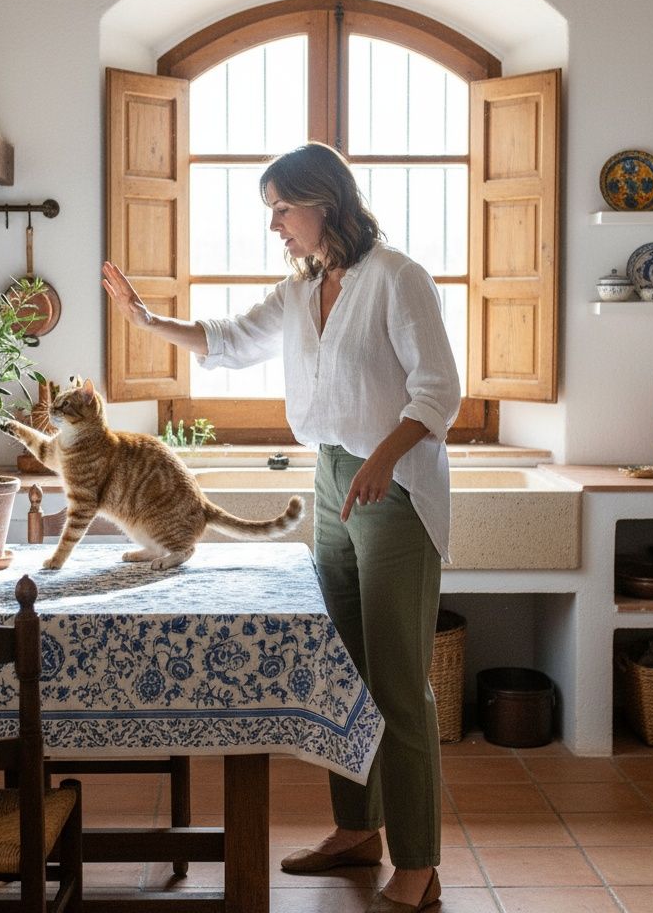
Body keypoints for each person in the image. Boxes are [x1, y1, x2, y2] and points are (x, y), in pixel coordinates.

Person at [102, 141, 460, 913]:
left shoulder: (400, 279)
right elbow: (228, 341)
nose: (276, 227)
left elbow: (438, 394)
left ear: (324, 202)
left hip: (393, 486)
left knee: (400, 684)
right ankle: (356, 830)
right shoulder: (302, 289)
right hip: (332, 476)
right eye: (271, 212)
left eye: (282, 209)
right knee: (347, 671)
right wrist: (145, 318)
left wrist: (382, 463)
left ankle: (420, 863)